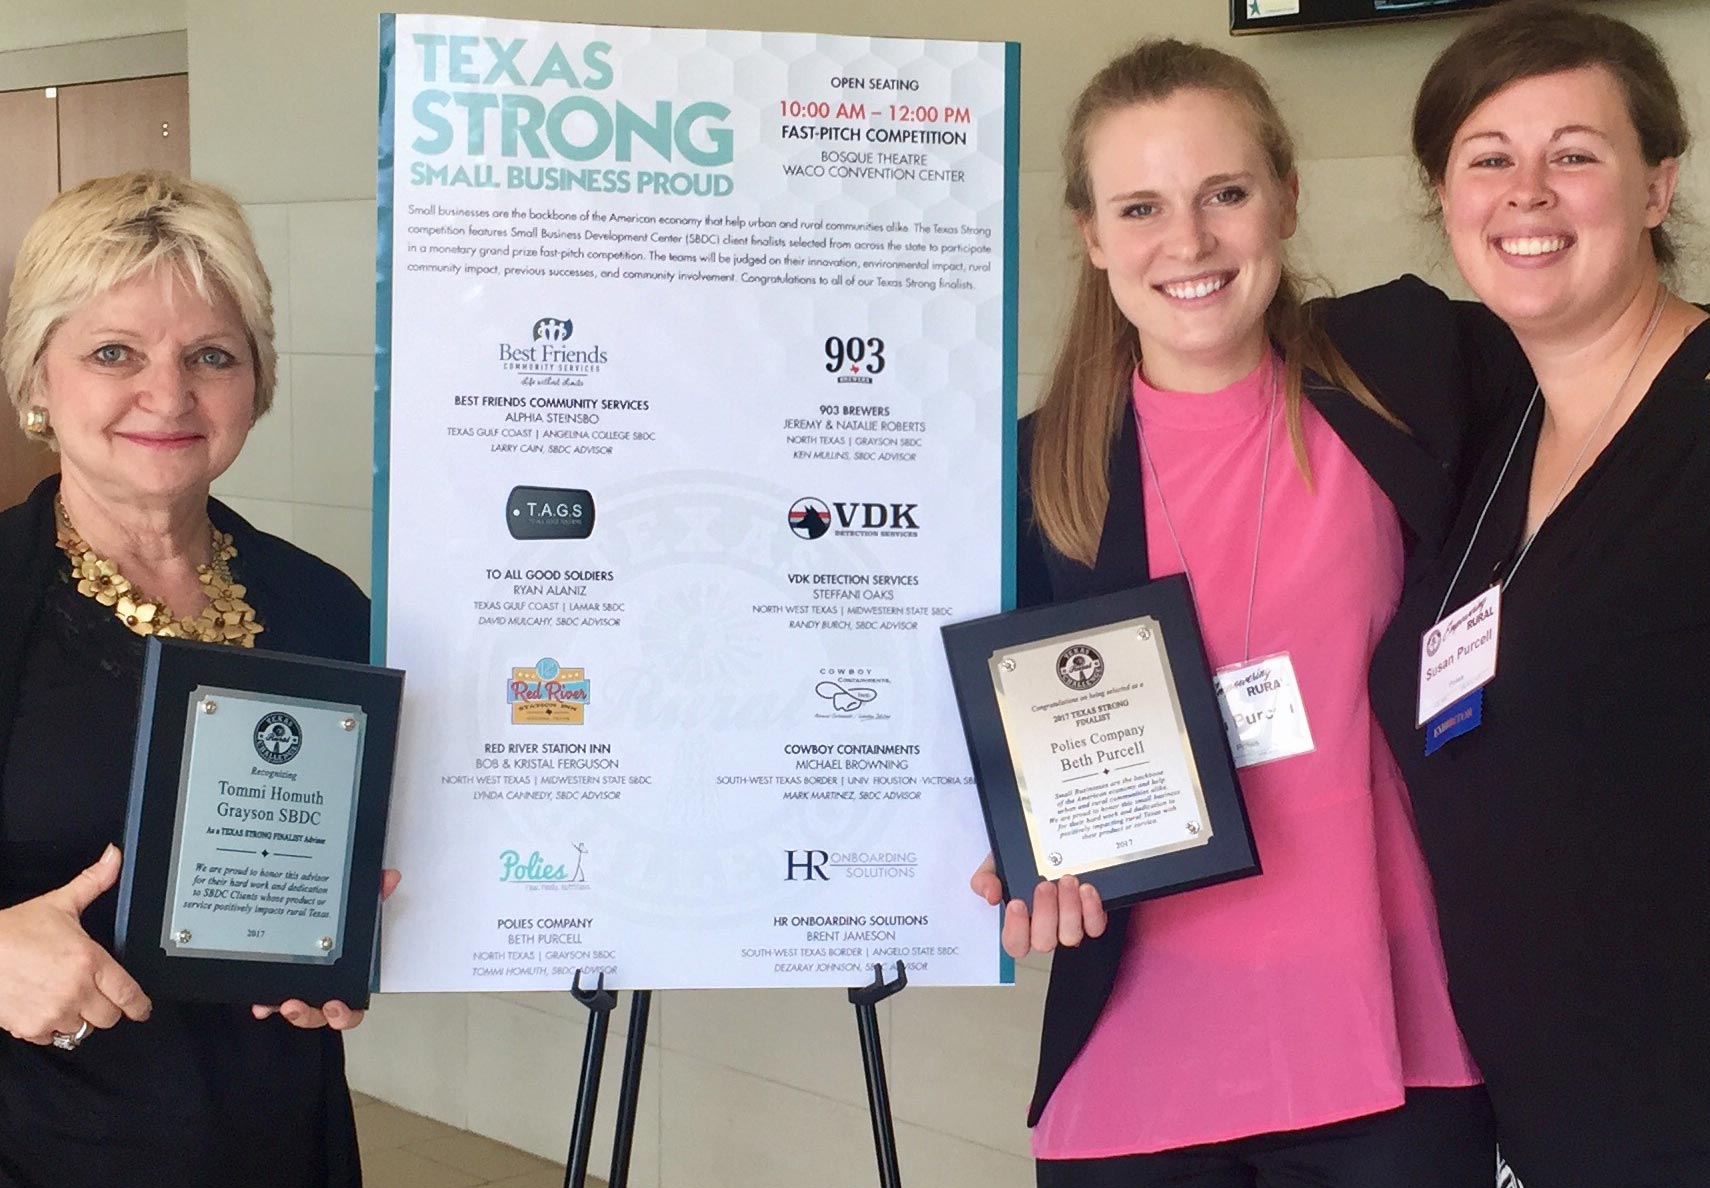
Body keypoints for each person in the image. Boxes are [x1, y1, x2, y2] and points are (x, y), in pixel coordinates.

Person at [970, 38, 1498, 1186]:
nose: (1191, 242)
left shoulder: (1408, 371)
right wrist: (1005, 857)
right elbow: (992, 761)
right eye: (1142, 206)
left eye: (1226, 194)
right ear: (1092, 234)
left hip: (1398, 1039)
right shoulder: (1036, 480)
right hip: (1138, 1054)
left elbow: (1625, 367)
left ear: (1286, 199)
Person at [1365, 3, 1710, 1184]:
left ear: (1659, 186)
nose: (1528, 192)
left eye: (1576, 154)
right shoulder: (1494, 433)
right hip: (1545, 1115)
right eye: (1489, 159)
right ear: (1443, 196)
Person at [0, 170, 392, 1186]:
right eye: (112, 353)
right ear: (39, 381)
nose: (167, 395)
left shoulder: (325, 608)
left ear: (255, 382)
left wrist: (344, 949)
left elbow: (351, 869)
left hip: (277, 1139)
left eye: (210, 355)